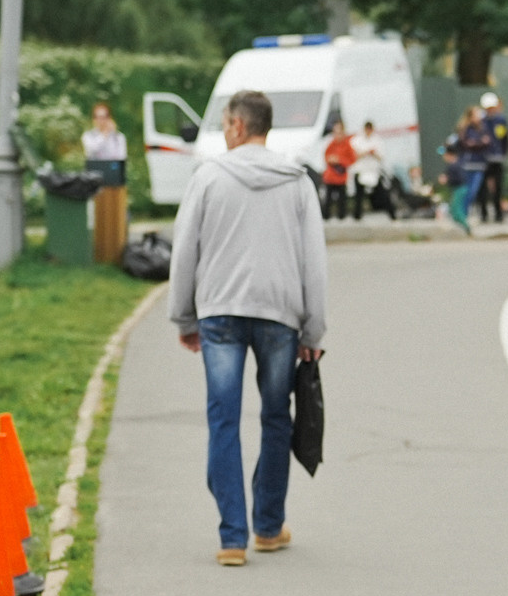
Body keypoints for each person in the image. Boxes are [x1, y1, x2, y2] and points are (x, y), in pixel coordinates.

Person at [168, 91, 329, 567]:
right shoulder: (297, 182)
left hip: (219, 313)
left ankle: (231, 537)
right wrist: (314, 331)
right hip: (280, 316)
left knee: (223, 419)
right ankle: (267, 525)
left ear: (238, 126)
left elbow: (185, 252)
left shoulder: (208, 179)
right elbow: (314, 262)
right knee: (276, 417)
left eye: (224, 123)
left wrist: (184, 316)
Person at [83, 101, 130, 264]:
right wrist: (104, 136)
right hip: (96, 186)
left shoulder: (118, 138)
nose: (101, 120)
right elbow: (92, 151)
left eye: (104, 117)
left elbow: (120, 157)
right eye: (98, 117)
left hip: (115, 186)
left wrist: (111, 135)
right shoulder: (89, 137)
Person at [478, 92, 508, 224]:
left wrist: (503, 153)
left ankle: (498, 213)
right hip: (484, 159)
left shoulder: (501, 120)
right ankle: (483, 213)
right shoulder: (480, 121)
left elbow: (504, 138)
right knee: (482, 188)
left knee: (498, 187)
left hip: (496, 159)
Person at [349, 120, 391, 220]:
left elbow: (381, 157)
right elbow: (353, 156)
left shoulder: (377, 140)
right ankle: (357, 217)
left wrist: (373, 153)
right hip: (360, 171)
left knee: (383, 193)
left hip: (373, 171)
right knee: (359, 196)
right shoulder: (356, 140)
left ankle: (392, 214)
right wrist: (365, 153)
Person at [321, 119, 356, 221]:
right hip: (331, 176)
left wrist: (340, 160)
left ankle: (342, 217)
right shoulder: (331, 144)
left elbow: (351, 160)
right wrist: (331, 160)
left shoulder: (347, 145)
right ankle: (326, 216)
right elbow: (326, 156)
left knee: (342, 200)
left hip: (341, 177)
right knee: (328, 199)